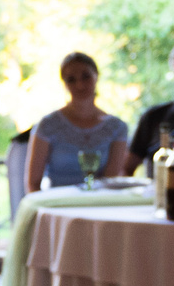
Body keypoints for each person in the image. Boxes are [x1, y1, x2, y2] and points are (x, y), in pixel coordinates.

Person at [25, 52, 131, 193]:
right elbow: (33, 184)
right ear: (64, 84)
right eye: (71, 79)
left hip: (99, 205)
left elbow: (110, 182)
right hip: (58, 205)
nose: (80, 85)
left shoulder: (117, 127)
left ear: (96, 76)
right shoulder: (48, 125)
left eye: (85, 76)